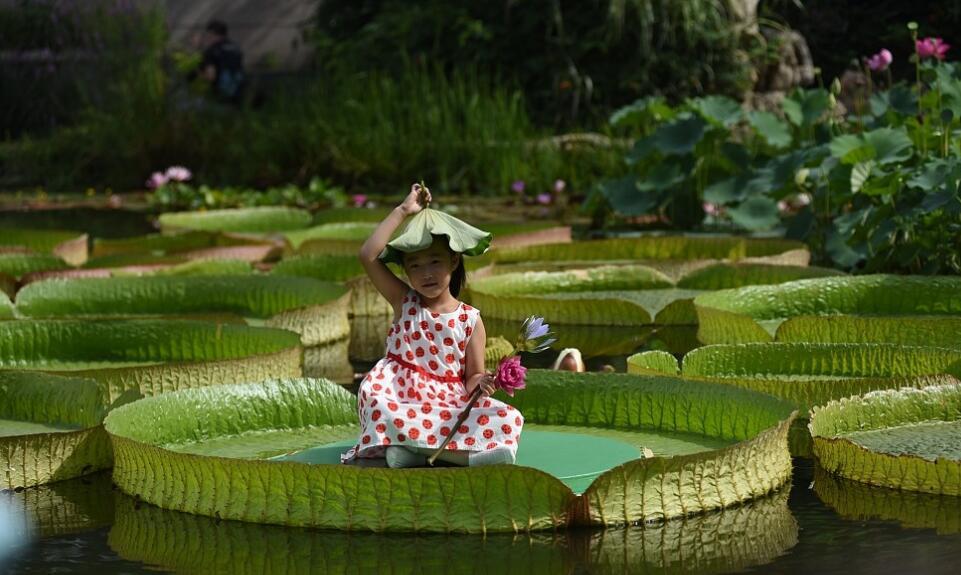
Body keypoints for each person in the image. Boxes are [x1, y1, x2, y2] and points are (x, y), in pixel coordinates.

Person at [341, 183, 523, 468]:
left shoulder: (470, 319)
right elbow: (368, 256)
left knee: (509, 417)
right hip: (402, 400)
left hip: (446, 406)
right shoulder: (404, 301)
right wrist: (403, 211)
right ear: (405, 270)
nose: (426, 273)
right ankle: (467, 458)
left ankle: (412, 452)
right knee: (378, 401)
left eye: (434, 262)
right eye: (415, 265)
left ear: (453, 260)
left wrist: (484, 383)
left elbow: (472, 377)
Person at [195, 19, 245, 104]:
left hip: (220, 96)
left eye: (208, 35)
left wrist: (198, 74)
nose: (207, 38)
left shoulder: (212, 50)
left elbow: (210, 77)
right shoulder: (236, 48)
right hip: (238, 93)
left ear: (212, 34)